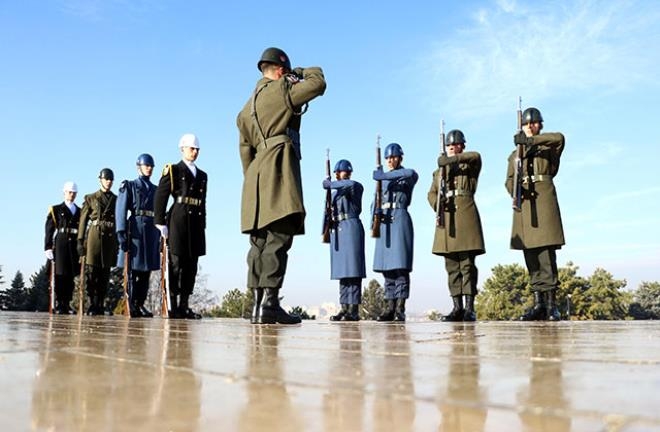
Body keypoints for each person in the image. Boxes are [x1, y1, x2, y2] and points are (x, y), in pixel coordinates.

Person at [237, 47, 326, 324]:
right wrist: (299, 72)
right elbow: (319, 83)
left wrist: (254, 182)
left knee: (259, 242)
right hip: (278, 166)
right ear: (279, 71)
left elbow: (244, 152)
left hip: (255, 174)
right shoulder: (282, 89)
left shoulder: (244, 110)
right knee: (278, 237)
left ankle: (256, 305)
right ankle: (271, 304)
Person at [506, 107, 565, 321]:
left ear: (540, 125)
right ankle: (538, 304)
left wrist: (530, 142)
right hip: (525, 202)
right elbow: (509, 179)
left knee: (546, 255)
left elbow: (559, 138)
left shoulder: (547, 147)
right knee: (530, 256)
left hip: (543, 200)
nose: (530, 127)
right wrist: (515, 191)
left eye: (534, 123)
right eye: (526, 124)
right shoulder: (514, 155)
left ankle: (552, 305)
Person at [427, 130, 485, 322]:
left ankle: (469, 308)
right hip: (447, 216)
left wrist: (450, 161)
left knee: (467, 265)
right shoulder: (438, 173)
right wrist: (438, 205)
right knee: (451, 266)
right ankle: (456, 307)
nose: (452, 147)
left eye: (456, 144)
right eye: (449, 145)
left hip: (466, 215)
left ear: (462, 146)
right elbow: (431, 194)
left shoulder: (469, 166)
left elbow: (476, 156)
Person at [154, 134, 207, 319]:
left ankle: (185, 305)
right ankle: (173, 305)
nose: (195, 152)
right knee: (176, 264)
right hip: (178, 220)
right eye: (191, 148)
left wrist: (204, 225)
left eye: (197, 149)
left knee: (191, 265)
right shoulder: (173, 170)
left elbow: (203, 202)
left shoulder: (202, 175)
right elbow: (161, 195)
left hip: (195, 223)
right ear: (182, 149)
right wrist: (160, 222)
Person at [372, 142, 418, 322]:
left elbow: (411, 173)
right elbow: (374, 200)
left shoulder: (406, 176)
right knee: (387, 270)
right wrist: (373, 219)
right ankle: (389, 307)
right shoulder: (381, 180)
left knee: (400, 268)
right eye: (388, 158)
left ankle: (400, 308)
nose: (391, 160)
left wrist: (384, 176)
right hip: (383, 221)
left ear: (400, 158)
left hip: (399, 218)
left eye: (394, 157)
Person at [116, 153, 160, 318]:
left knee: (146, 272)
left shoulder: (156, 189)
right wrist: (121, 233)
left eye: (150, 166)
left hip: (150, 232)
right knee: (133, 271)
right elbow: (121, 210)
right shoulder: (130, 185)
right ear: (138, 167)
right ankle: (132, 303)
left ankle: (140, 304)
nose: (149, 169)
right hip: (135, 230)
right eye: (146, 166)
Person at [323, 159, 366, 322]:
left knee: (353, 271)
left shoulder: (354, 187)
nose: (341, 175)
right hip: (338, 229)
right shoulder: (334, 193)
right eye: (338, 172)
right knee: (342, 272)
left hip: (351, 227)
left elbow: (352, 185)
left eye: (343, 172)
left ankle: (353, 309)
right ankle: (344, 307)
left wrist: (330, 184)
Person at [77, 168, 118, 315]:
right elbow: (83, 221)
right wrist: (80, 240)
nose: (108, 182)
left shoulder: (116, 199)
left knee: (105, 273)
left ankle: (100, 303)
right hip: (95, 237)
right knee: (92, 273)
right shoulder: (91, 198)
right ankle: (93, 303)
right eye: (106, 179)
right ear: (100, 180)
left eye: (110, 180)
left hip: (109, 239)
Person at [44, 181, 81, 314]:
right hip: (60, 243)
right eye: (69, 192)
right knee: (60, 274)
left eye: (74, 193)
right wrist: (48, 247)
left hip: (73, 245)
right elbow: (49, 229)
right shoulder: (56, 209)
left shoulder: (79, 211)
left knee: (70, 276)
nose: (72, 195)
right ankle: (60, 303)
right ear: (64, 192)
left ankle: (67, 303)